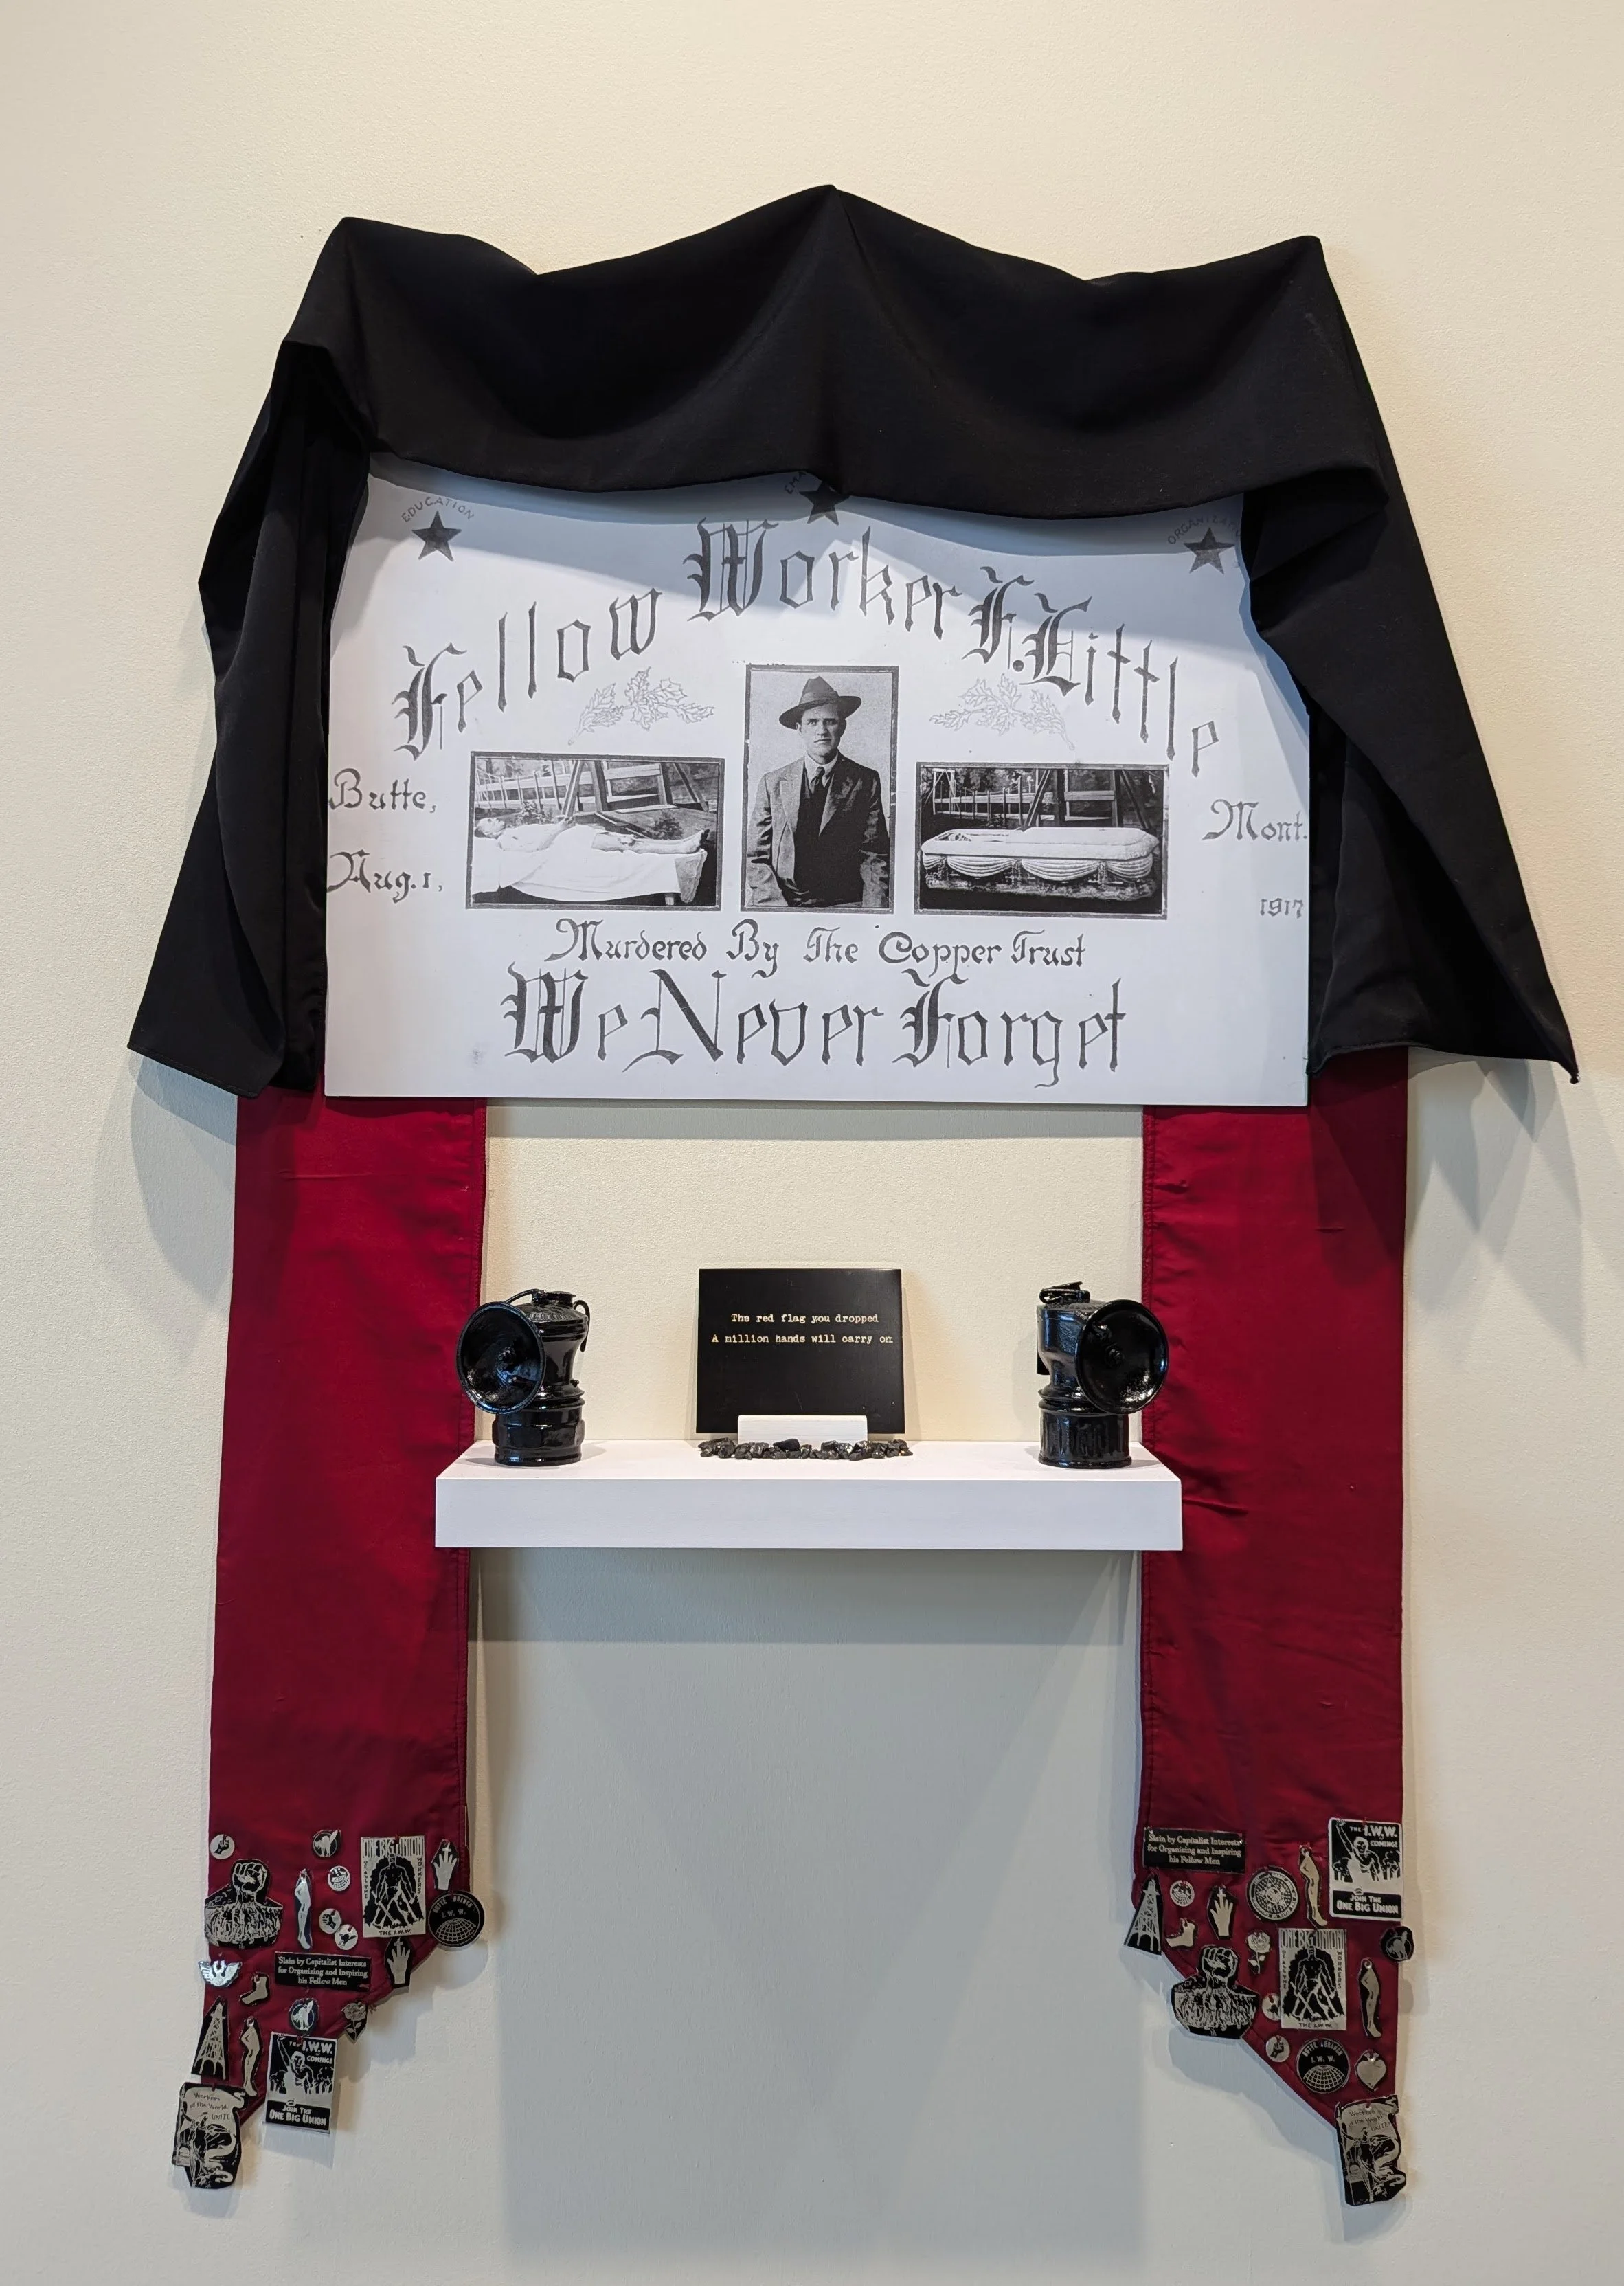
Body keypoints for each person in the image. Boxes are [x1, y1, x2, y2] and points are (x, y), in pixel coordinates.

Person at [747, 675, 889, 908]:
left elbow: (875, 856)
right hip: (782, 902)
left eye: (830, 721)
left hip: (844, 903)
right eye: (812, 722)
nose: (821, 730)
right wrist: (775, 908)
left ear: (842, 726)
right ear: (800, 729)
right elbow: (755, 857)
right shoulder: (772, 783)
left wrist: (873, 911)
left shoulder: (865, 781)